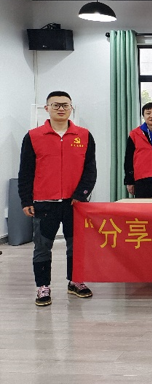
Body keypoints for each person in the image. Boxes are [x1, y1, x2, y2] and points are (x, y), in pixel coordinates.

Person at [18, 91, 97, 306]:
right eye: (56, 105)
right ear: (47, 108)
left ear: (71, 108)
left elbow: (90, 170)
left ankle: (75, 281)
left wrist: (81, 194)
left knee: (76, 246)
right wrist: (26, 200)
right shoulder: (33, 136)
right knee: (42, 246)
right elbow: (25, 171)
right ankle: (43, 286)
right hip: (44, 203)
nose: (61, 109)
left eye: (65, 105)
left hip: (75, 203)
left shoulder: (84, 135)